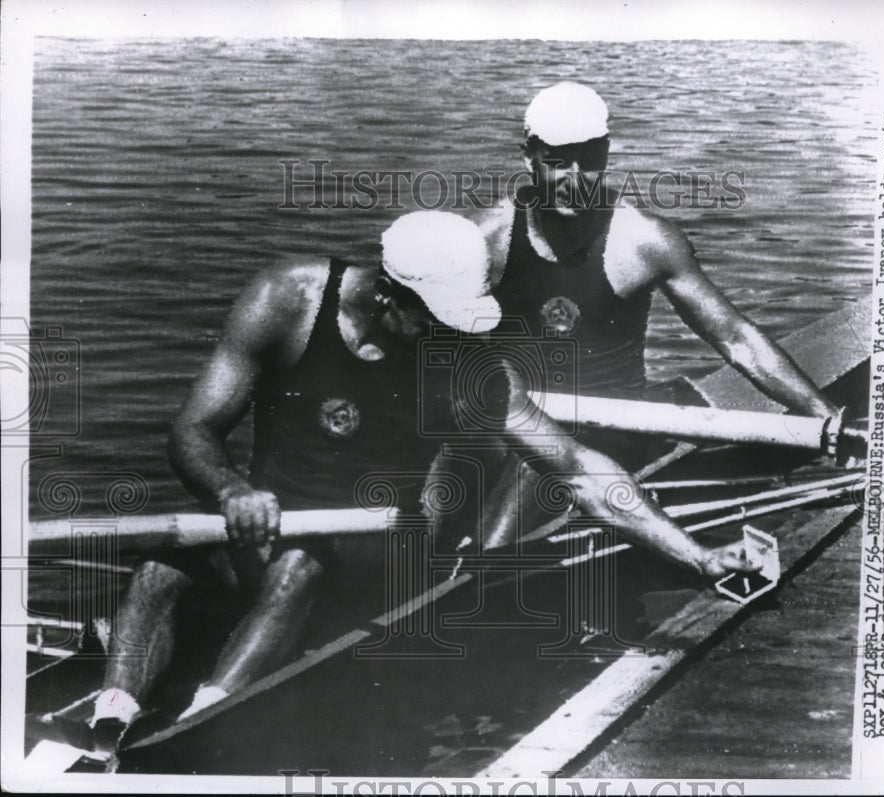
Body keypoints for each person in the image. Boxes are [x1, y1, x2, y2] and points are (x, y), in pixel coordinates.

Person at [84, 211, 759, 765]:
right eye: (435, 317)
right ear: (388, 294)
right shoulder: (285, 300)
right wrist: (232, 491)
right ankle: (108, 720)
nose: (451, 336)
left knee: (300, 564)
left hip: (381, 553)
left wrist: (696, 555)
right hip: (266, 523)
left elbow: (579, 468)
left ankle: (203, 720)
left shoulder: (466, 363)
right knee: (158, 568)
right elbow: (193, 430)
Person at [472, 82, 847, 544]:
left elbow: (734, 338)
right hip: (516, 422)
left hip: (609, 428)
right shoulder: (482, 240)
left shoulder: (645, 240)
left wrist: (826, 420)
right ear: (527, 157)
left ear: (606, 154)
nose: (575, 179)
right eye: (556, 160)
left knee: (502, 524)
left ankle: (480, 571)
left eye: (589, 160)